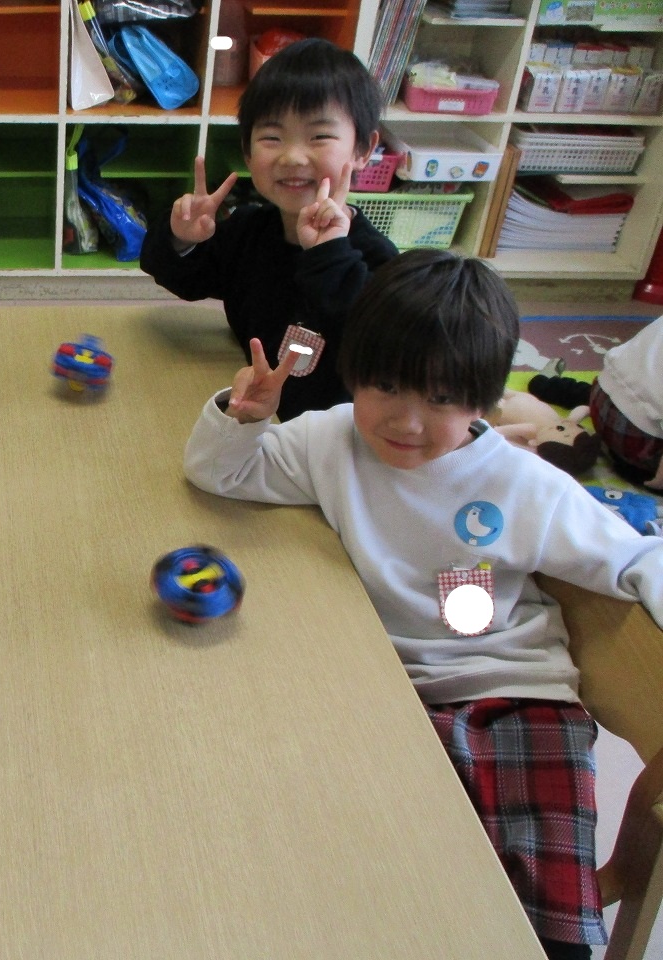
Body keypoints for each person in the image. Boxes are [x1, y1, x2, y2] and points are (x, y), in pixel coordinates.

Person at [182, 249, 663, 960]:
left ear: (484, 400)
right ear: (354, 373)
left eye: (440, 399)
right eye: (386, 386)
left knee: (550, 917)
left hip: (519, 693)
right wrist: (241, 417)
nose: (406, 421)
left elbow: (637, 559)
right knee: (387, 886)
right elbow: (220, 474)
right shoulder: (330, 439)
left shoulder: (523, 484)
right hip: (387, 691)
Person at [139, 36, 398, 421]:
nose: (292, 157)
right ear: (247, 151)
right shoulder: (248, 230)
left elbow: (383, 348)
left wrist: (329, 255)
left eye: (319, 137)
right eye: (272, 138)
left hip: (336, 432)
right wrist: (181, 239)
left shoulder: (377, 260)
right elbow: (185, 280)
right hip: (254, 413)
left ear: (363, 149)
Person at [529, 314, 663, 490]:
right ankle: (629, 467)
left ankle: (547, 385)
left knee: (636, 396)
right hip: (635, 440)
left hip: (601, 395)